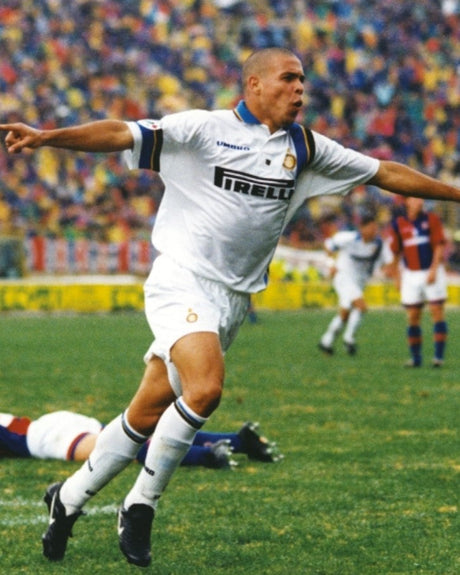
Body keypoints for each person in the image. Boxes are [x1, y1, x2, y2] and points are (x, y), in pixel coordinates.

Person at [1, 47, 460, 567]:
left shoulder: (306, 148)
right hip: (181, 281)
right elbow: (121, 133)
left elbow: (384, 172)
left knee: (145, 412)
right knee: (205, 389)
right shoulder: (203, 129)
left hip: (233, 300)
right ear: (254, 84)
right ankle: (140, 504)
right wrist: (47, 137)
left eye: (303, 81)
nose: (300, 89)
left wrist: (455, 193)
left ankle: (67, 499)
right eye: (288, 78)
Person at [0, 411, 281, 468]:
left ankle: (207, 456)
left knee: (119, 448)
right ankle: (238, 441)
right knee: (135, 435)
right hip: (55, 422)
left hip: (45, 437)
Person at [318, 212, 394, 355]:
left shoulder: (379, 244)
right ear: (362, 228)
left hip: (360, 281)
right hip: (343, 277)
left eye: (376, 228)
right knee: (361, 306)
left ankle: (326, 341)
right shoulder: (348, 238)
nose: (375, 231)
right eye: (371, 228)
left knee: (345, 313)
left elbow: (389, 262)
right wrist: (331, 264)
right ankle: (349, 339)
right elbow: (328, 246)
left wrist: (389, 271)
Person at [388, 197, 448, 367]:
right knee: (413, 316)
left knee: (436, 311)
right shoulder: (399, 224)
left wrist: (434, 269)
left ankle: (438, 358)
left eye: (421, 199)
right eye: (416, 198)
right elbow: (396, 252)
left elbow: (439, 245)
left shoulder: (431, 219)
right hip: (411, 274)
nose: (420, 202)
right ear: (407, 202)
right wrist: (396, 277)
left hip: (431, 271)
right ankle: (416, 359)